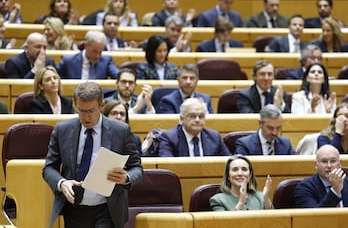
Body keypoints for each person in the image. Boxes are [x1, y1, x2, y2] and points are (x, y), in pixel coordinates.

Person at [42, 81, 143, 228]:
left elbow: (137, 169)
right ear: (75, 105)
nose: (86, 117)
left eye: (91, 111)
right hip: (73, 208)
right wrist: (62, 183)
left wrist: (126, 177)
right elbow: (48, 168)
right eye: (81, 111)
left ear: (102, 106)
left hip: (107, 209)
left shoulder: (120, 131)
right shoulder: (62, 129)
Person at [295, 144, 348, 208]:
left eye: (333, 161)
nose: (329, 165)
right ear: (316, 164)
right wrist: (335, 191)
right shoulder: (305, 187)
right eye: (324, 161)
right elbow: (314, 218)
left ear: (340, 163)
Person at [158, 98, 231, 157]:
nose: (197, 120)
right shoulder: (169, 138)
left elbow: (227, 162)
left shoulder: (215, 137)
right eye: (192, 116)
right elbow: (167, 166)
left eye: (201, 116)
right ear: (182, 119)